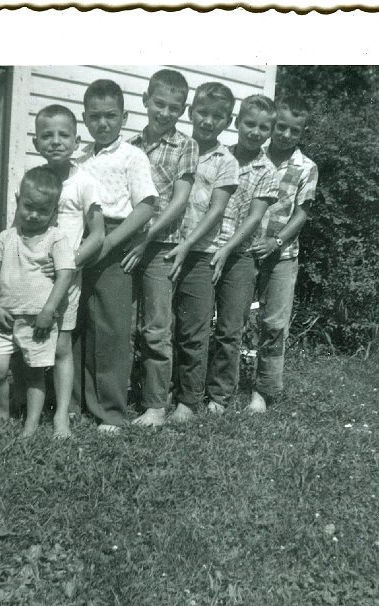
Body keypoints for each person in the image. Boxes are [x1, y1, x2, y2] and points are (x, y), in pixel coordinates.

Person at [73, 79, 158, 432]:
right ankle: (75, 404)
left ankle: (110, 411)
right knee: (76, 325)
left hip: (114, 240)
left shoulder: (132, 156)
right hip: (79, 237)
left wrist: (109, 243)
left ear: (123, 117)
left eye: (110, 116)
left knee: (111, 328)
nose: (102, 123)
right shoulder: (79, 159)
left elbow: (146, 207)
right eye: (95, 117)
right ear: (84, 118)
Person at [123, 69, 199, 427]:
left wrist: (147, 237)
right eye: (159, 104)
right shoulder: (130, 146)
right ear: (145, 101)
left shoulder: (186, 145)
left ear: (182, 110)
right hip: (126, 243)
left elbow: (180, 200)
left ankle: (155, 406)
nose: (165, 112)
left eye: (174, 107)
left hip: (160, 246)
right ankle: (122, 394)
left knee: (155, 326)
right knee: (124, 323)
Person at [165, 81, 239, 424]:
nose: (209, 121)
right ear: (191, 111)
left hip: (199, 253)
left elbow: (216, 211)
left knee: (194, 329)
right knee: (160, 324)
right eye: (203, 113)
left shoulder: (227, 161)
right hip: (164, 246)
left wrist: (189, 244)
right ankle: (159, 388)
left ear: (228, 121)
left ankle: (188, 400)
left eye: (218, 116)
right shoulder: (176, 146)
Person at [30, 104, 105, 438]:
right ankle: (26, 410)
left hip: (66, 280)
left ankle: (61, 416)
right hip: (31, 277)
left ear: (77, 142)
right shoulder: (33, 179)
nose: (55, 142)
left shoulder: (84, 183)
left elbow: (98, 235)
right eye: (47, 135)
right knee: (29, 343)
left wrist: (69, 262)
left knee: (61, 348)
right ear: (36, 142)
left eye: (64, 135)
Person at [0, 167, 75, 437]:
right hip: (3, 317)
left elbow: (65, 275)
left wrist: (48, 311)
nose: (34, 215)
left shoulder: (55, 238)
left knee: (35, 372)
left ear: (54, 212)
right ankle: (2, 418)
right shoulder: (6, 237)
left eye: (43, 210)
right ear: (18, 202)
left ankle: (30, 426)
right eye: (28, 207)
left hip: (38, 320)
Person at [205, 94, 280, 413]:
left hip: (240, 255)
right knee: (192, 324)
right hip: (205, 249)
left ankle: (219, 395)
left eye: (264, 127)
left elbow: (253, 219)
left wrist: (227, 250)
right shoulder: (218, 156)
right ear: (237, 123)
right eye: (249, 123)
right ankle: (184, 386)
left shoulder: (268, 170)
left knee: (229, 328)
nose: (255, 131)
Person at [247, 94, 318, 413]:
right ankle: (215, 386)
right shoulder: (252, 154)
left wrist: (276, 242)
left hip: (282, 255)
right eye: (281, 127)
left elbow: (301, 214)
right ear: (273, 124)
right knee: (230, 320)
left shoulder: (306, 167)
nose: (286, 135)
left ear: (302, 133)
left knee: (274, 324)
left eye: (295, 131)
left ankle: (263, 391)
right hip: (243, 250)